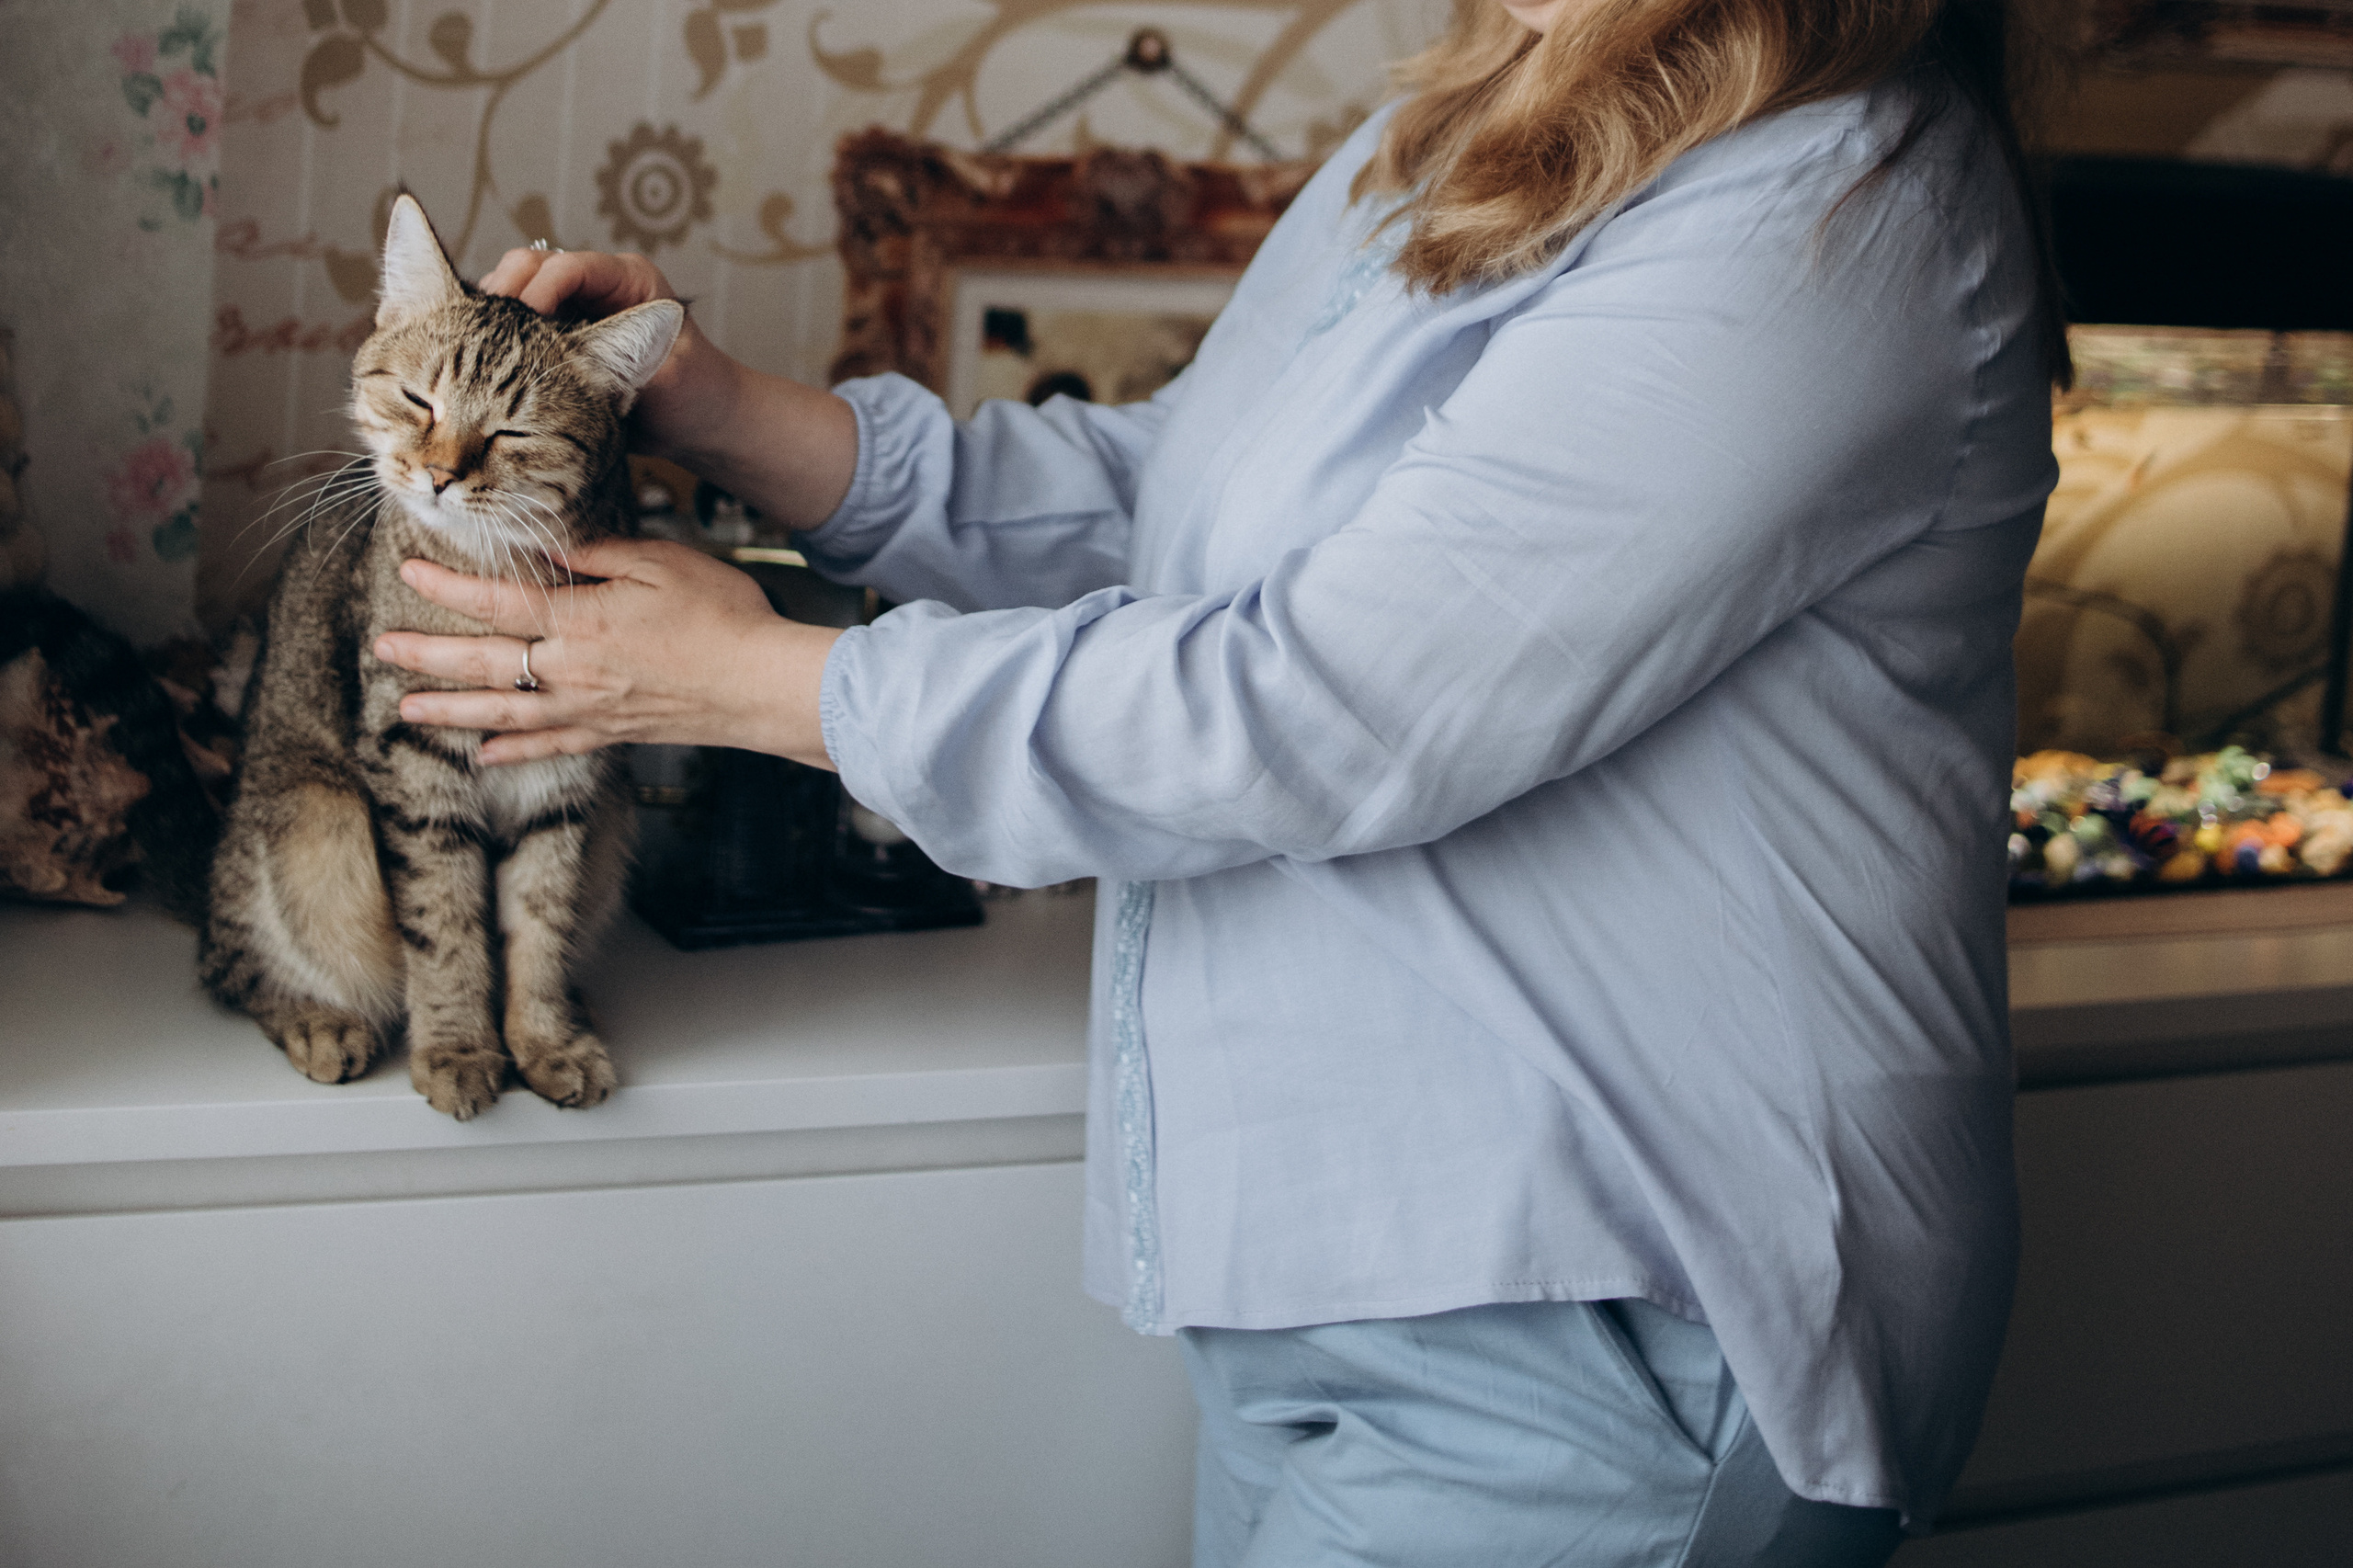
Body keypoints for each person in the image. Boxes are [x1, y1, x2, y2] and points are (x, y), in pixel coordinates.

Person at [374, 0, 2067, 1561]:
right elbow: (1177, 499)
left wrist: (758, 682)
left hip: (1616, 1318)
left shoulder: (1838, 208)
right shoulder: (1466, 123)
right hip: (1330, 1270)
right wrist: (724, 410)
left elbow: (1328, 705)